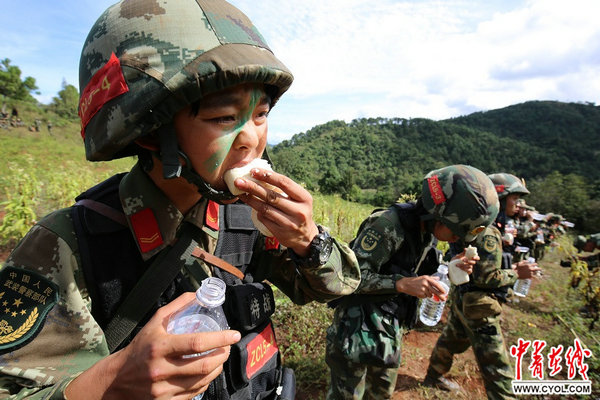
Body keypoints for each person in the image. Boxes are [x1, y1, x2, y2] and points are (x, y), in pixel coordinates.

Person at [0, 1, 361, 399]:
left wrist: (309, 242)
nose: (252, 139)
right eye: (224, 118)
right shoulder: (69, 243)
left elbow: (328, 291)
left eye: (260, 114)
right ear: (151, 132)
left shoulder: (246, 215)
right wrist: (110, 384)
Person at [326, 165, 500, 400]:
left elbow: (416, 269)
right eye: (457, 231)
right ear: (437, 214)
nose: (457, 238)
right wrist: (401, 284)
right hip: (355, 330)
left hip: (387, 329)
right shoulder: (387, 225)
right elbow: (346, 278)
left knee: (381, 393)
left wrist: (450, 269)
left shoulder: (426, 232)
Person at [423, 172, 541, 400]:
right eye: (514, 198)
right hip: (480, 305)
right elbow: (486, 277)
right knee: (497, 364)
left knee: (451, 339)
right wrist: (516, 273)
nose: (518, 205)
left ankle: (433, 375)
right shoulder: (488, 232)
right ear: (499, 197)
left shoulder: (482, 225)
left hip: (464, 297)